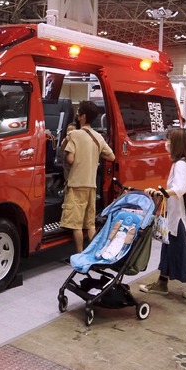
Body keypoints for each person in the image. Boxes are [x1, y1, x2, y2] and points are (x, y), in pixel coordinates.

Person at [140, 128, 186, 300]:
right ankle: (162, 282)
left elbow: (180, 188)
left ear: (176, 144)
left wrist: (162, 193)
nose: (166, 143)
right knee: (170, 249)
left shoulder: (181, 164)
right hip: (178, 217)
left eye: (169, 140)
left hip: (182, 218)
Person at [60, 100, 115, 254]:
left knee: (76, 225)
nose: (77, 115)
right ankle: (94, 253)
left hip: (76, 185)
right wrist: (94, 156)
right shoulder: (98, 137)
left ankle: (79, 254)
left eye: (78, 112)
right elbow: (111, 156)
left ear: (83, 116)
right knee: (90, 224)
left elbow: (70, 159)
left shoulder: (74, 135)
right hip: (91, 186)